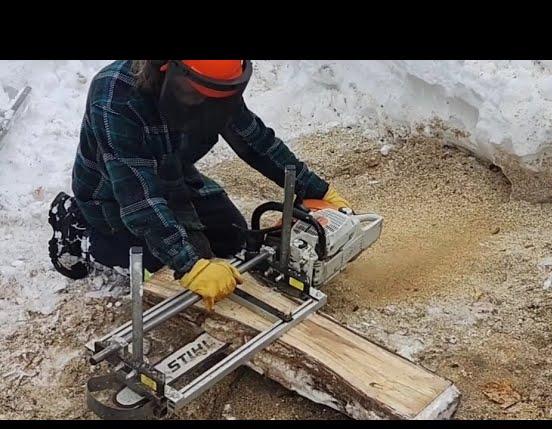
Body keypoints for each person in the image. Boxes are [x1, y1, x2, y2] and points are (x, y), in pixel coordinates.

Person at [48, 60, 350, 309]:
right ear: (167, 69)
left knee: (233, 238)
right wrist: (189, 264)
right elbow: (139, 198)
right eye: (199, 94)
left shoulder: (214, 82)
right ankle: (80, 232)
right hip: (114, 194)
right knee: (168, 262)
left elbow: (254, 140)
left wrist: (313, 189)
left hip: (174, 174)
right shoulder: (115, 97)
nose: (210, 106)